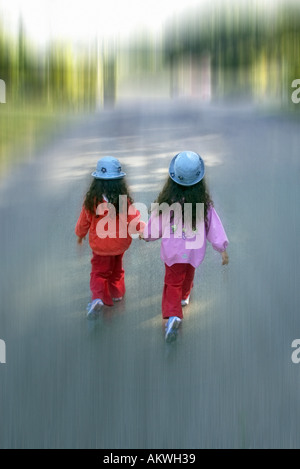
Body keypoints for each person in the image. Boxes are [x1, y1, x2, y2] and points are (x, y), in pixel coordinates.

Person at [140, 151, 229, 342]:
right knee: (188, 274)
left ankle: (174, 316)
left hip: (173, 253)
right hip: (193, 252)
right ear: (199, 181)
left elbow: (154, 226)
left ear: (172, 180)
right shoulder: (203, 205)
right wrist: (222, 249)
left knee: (172, 282)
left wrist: (146, 235)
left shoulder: (167, 203)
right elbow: (214, 227)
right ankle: (184, 297)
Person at [75, 156, 144, 318]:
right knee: (117, 268)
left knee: (99, 272)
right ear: (120, 182)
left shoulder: (91, 200)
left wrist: (80, 234)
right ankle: (117, 292)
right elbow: (133, 217)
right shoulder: (123, 200)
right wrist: (141, 231)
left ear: (96, 182)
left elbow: (84, 221)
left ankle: (98, 298)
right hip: (119, 244)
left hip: (100, 247)